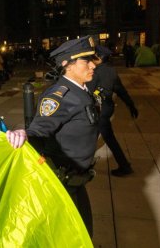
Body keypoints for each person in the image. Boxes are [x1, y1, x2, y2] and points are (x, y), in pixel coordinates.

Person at [6, 35, 99, 237]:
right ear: (68, 65)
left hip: (77, 178)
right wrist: (25, 134)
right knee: (75, 235)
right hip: (64, 182)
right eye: (86, 61)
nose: (93, 65)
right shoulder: (60, 95)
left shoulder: (80, 89)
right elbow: (40, 129)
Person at [88, 45, 138, 177]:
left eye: (93, 57)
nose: (91, 60)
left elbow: (89, 91)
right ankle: (123, 165)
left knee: (105, 138)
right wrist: (131, 105)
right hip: (107, 108)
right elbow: (120, 90)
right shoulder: (111, 71)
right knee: (98, 137)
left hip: (98, 110)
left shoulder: (95, 72)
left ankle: (124, 166)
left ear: (99, 57)